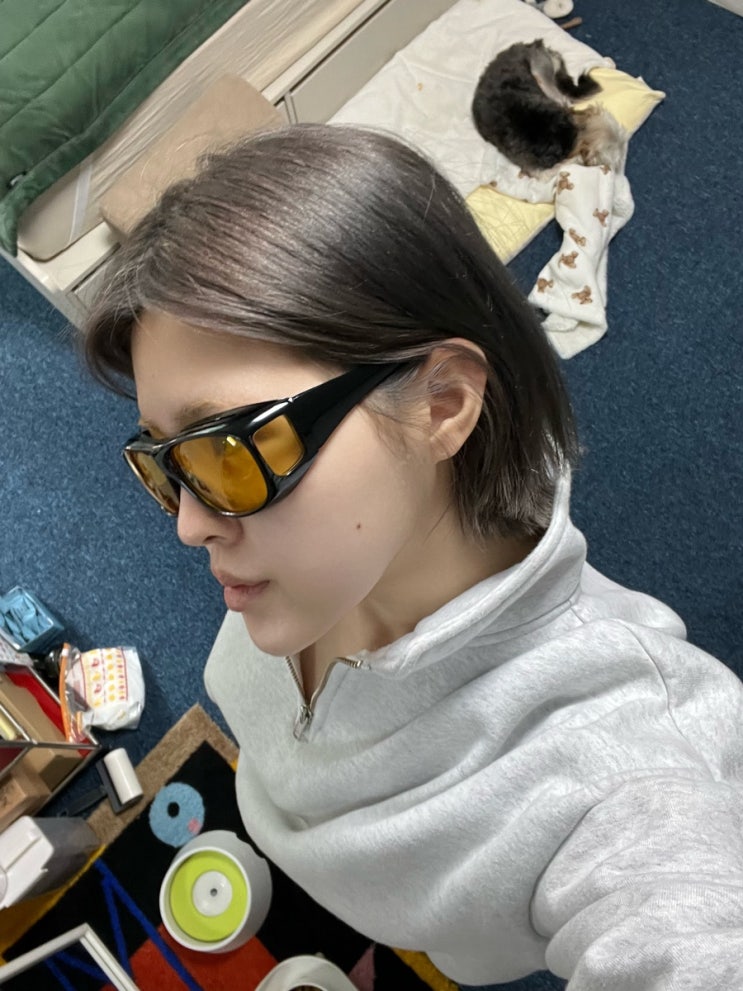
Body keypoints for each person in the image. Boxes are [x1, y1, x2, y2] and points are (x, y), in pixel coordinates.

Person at [82, 124, 743, 991]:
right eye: (165, 461)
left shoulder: (621, 768)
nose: (191, 524)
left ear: (442, 403)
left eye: (228, 448)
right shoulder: (318, 553)